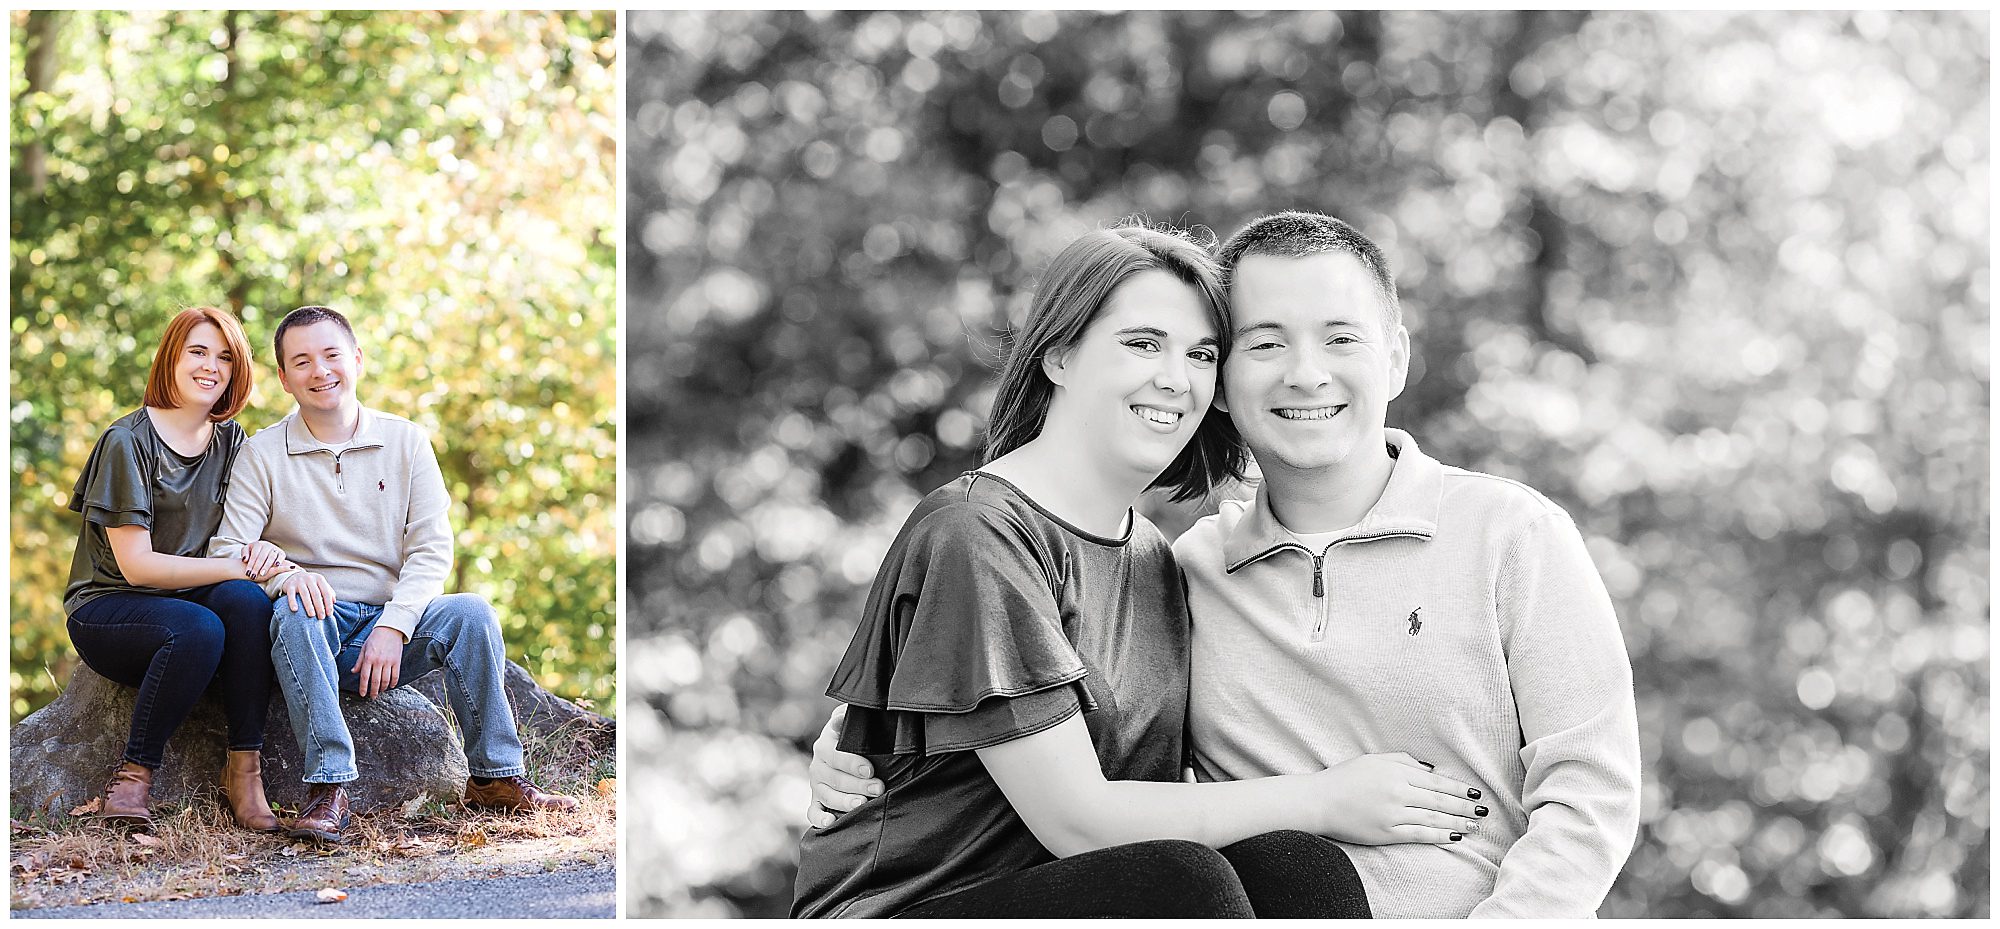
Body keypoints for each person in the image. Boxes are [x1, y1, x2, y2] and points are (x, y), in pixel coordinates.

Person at [809, 212, 1642, 917]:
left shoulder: (1502, 533)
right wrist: (870, 740)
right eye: (1263, 343)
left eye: (1199, 352)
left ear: (1394, 355)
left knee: (1292, 867)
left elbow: (1590, 793)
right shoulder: (1173, 563)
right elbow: (1080, 807)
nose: (1305, 371)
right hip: (968, 901)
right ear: (1056, 354)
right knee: (1190, 881)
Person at [208, 305, 577, 846]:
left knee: (471, 612)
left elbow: (431, 548)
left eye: (332, 355)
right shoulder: (262, 453)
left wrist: (395, 626)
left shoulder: (406, 441)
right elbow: (228, 550)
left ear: (356, 359)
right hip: (315, 632)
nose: (320, 371)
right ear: (284, 378)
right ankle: (329, 789)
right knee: (295, 612)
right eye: (302, 362)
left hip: (388, 629)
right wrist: (284, 574)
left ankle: (496, 778)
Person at [62, 306, 295, 832]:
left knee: (247, 602)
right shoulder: (128, 443)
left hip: (190, 599)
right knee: (201, 625)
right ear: (171, 357)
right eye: (197, 351)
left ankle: (244, 770)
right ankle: (133, 776)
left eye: (225, 357)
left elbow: (254, 532)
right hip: (110, 608)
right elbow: (138, 567)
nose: (211, 366)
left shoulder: (234, 442)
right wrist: (236, 566)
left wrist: (265, 558)